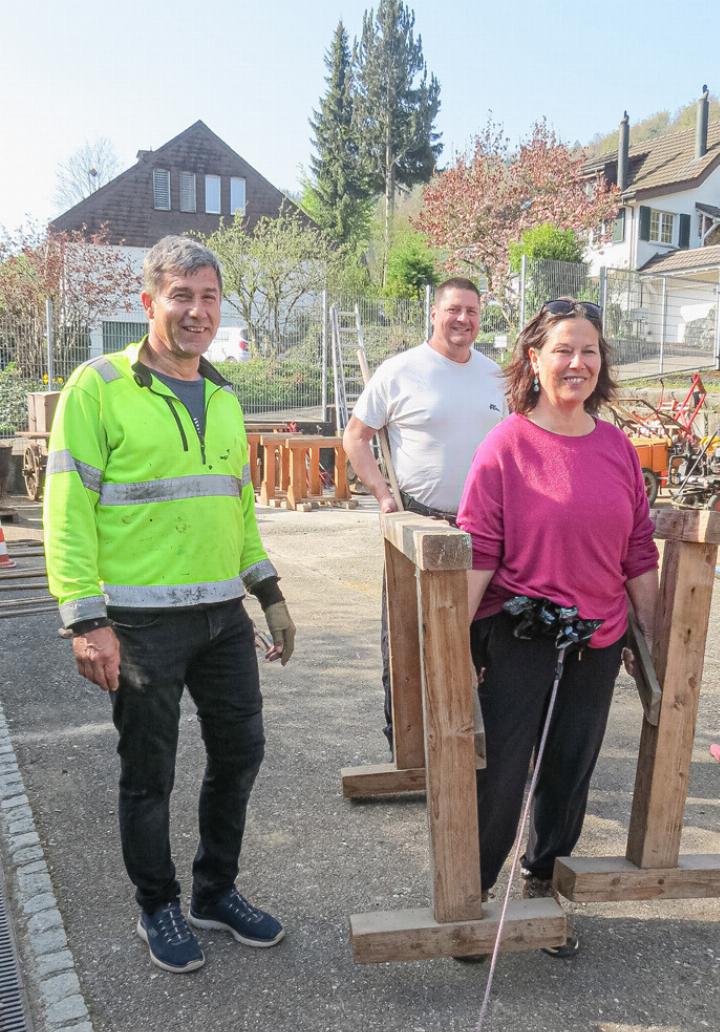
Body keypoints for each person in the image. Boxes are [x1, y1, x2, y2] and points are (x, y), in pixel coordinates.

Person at [43, 236, 296, 975]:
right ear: (149, 303)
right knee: (150, 773)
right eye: (181, 296)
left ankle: (215, 892)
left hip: (223, 619)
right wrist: (84, 620)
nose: (196, 311)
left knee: (241, 755)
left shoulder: (221, 394)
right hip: (138, 624)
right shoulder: (99, 387)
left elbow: (236, 508)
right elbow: (66, 510)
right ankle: (158, 903)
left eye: (208, 297)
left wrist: (269, 593)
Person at [456, 298, 659, 958]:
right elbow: (479, 550)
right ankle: (471, 898)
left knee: (571, 765)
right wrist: (452, 647)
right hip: (522, 635)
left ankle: (543, 880)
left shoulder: (618, 450)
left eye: (590, 351)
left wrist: (649, 640)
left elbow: (637, 550)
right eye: (564, 350)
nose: (578, 363)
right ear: (534, 360)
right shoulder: (506, 446)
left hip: (598, 637)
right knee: (503, 772)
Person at [343, 279, 505, 748]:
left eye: (472, 311)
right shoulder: (400, 371)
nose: (463, 320)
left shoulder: (495, 376)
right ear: (434, 313)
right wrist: (381, 494)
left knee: (482, 639)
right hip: (421, 522)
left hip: (485, 528)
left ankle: (476, 747)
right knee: (408, 638)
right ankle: (410, 747)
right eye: (454, 309)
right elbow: (355, 436)